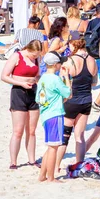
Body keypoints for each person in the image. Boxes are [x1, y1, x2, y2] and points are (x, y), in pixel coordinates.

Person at [55, 39, 97, 172]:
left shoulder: (69, 61)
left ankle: (55, 166)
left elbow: (62, 84)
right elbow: (94, 83)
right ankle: (79, 166)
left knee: (65, 136)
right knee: (80, 136)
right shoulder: (93, 61)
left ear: (73, 45)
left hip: (71, 101)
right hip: (86, 101)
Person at [0, 40, 43, 169]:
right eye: (34, 55)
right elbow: (4, 76)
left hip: (33, 92)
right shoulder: (17, 56)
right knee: (18, 131)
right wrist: (21, 83)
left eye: (37, 55)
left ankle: (32, 160)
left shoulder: (36, 58)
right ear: (29, 50)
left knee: (32, 130)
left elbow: (37, 74)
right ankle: (13, 161)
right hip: (19, 92)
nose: (35, 57)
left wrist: (37, 81)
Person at [36, 52, 71, 182]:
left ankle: (42, 175)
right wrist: (66, 77)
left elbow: (38, 98)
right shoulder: (55, 79)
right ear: (56, 64)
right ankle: (51, 177)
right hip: (55, 114)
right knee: (54, 147)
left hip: (45, 115)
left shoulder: (42, 79)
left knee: (51, 146)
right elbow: (68, 92)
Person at [86, 3, 100, 85]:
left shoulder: (91, 22)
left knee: (92, 63)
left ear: (96, 11)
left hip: (91, 46)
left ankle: (93, 80)